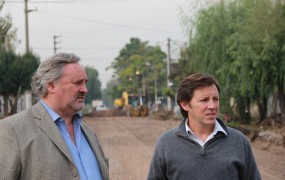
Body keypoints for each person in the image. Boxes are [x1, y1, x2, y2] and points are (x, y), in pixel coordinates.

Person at [0, 53, 109, 180]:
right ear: (51, 85)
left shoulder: (88, 132)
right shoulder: (13, 130)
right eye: (78, 83)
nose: (85, 89)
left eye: (85, 82)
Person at [147, 73, 261, 180]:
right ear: (185, 104)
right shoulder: (166, 143)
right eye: (204, 100)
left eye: (215, 99)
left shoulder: (239, 141)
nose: (212, 106)